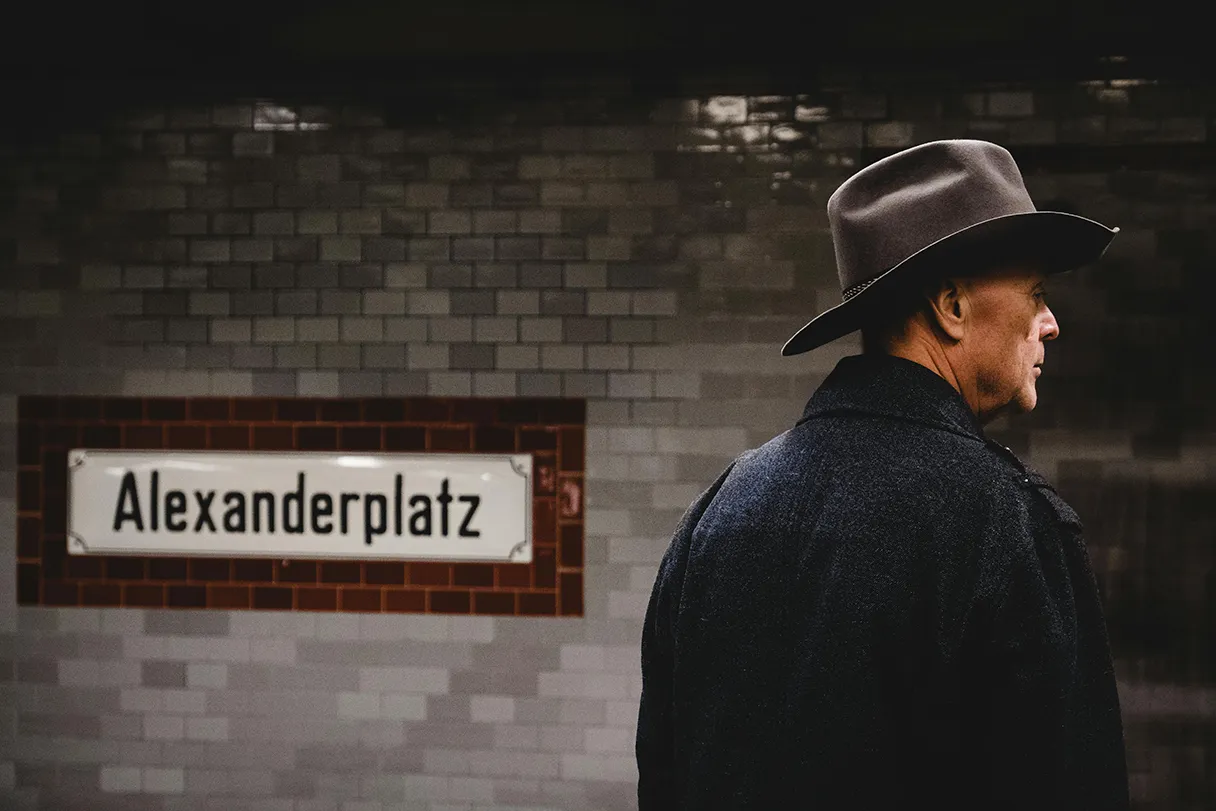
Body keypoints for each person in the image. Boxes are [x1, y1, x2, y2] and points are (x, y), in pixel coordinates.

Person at [636, 140, 1130, 809]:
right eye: (1035, 292)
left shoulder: (717, 513)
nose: (1051, 322)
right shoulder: (1007, 525)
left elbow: (662, 777)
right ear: (951, 306)